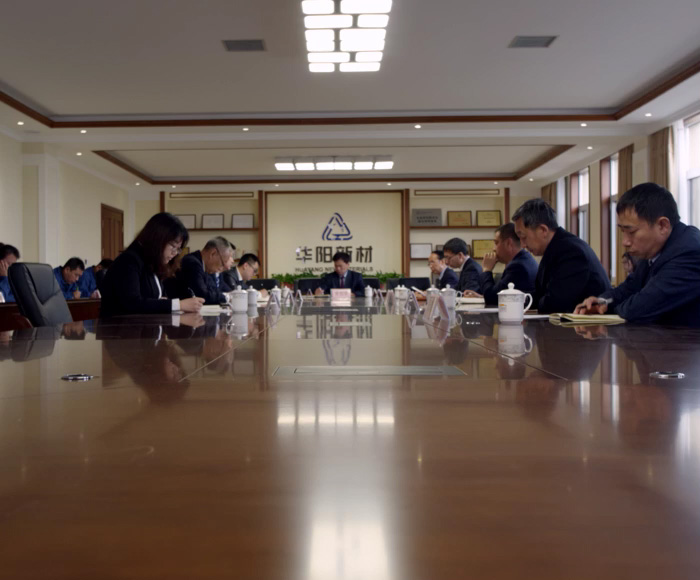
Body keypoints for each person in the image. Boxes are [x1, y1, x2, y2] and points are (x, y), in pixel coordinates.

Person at [575, 183, 700, 325]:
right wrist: (602, 301)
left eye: (631, 232)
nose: (625, 242)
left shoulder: (690, 252)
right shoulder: (654, 250)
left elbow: (640, 308)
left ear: (662, 226)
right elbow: (629, 287)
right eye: (623, 231)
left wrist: (611, 309)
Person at [512, 198, 610, 313]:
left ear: (543, 230)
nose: (523, 245)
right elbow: (540, 295)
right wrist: (514, 301)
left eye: (523, 237)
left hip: (591, 323)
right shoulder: (554, 248)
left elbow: (555, 304)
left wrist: (540, 301)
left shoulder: (571, 251)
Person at [100, 212, 204, 317]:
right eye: (173, 246)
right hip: (119, 326)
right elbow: (132, 303)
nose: (175, 253)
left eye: (178, 249)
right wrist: (179, 305)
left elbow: (154, 298)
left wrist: (161, 302)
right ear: (157, 239)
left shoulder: (151, 262)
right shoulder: (129, 260)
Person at [463, 223, 538, 305]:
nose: (494, 249)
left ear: (509, 243)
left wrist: (486, 270)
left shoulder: (518, 267)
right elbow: (499, 295)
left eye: (496, 243)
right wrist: (481, 296)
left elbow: (492, 298)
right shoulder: (524, 259)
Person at [177, 236, 235, 304]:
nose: (221, 268)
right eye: (222, 263)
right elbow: (203, 295)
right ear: (213, 253)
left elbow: (214, 290)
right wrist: (227, 297)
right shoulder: (192, 263)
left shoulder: (206, 267)